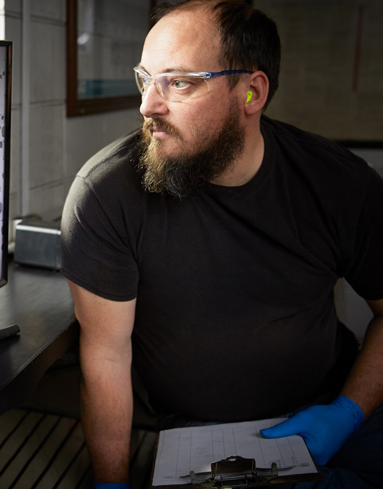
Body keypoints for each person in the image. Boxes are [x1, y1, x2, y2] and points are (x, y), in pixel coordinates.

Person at [59, 1, 383, 488]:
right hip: (204, 429)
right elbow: (106, 356)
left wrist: (348, 411)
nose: (148, 104)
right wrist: (112, 484)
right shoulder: (107, 195)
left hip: (334, 402)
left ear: (252, 91)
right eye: (145, 78)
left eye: (179, 82)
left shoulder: (339, 184)